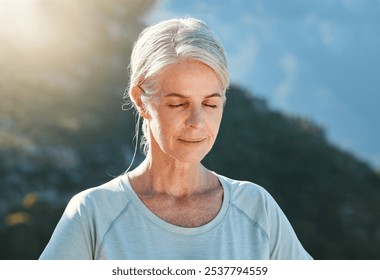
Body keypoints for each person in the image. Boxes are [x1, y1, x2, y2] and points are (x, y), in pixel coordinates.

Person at [39, 17, 312, 260]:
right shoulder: (93, 214)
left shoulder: (257, 208)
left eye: (210, 104)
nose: (197, 122)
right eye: (178, 104)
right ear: (141, 101)